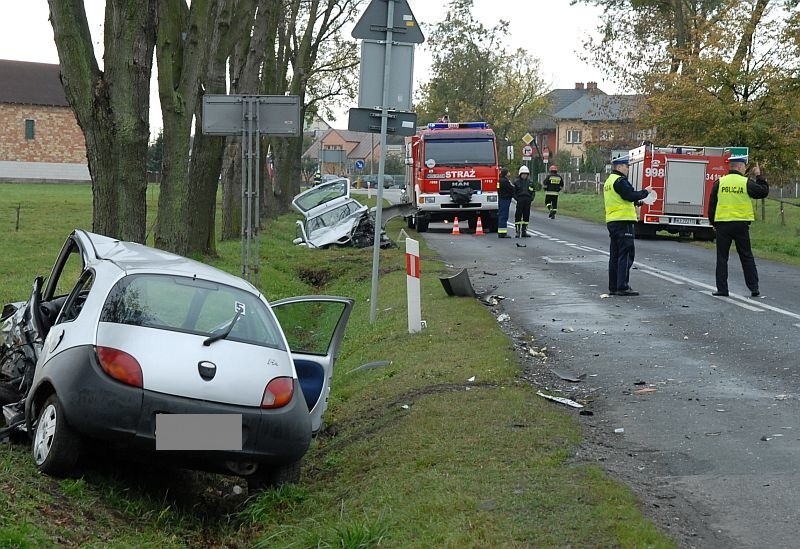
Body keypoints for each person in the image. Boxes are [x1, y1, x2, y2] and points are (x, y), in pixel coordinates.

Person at [708, 154, 769, 297]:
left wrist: (713, 223)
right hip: (741, 225)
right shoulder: (745, 182)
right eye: (744, 167)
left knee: (722, 258)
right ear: (740, 167)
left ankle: (722, 289)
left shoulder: (720, 182)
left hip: (723, 225)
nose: (745, 169)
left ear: (731, 167)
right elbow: (763, 191)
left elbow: (712, 205)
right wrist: (759, 175)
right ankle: (754, 288)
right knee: (746, 256)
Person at [603, 155, 652, 296]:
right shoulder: (620, 180)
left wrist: (636, 202)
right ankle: (622, 286)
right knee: (626, 254)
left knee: (615, 255)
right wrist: (645, 192)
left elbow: (620, 199)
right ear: (619, 167)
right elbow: (629, 195)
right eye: (626, 166)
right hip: (623, 221)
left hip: (612, 220)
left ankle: (613, 286)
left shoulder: (609, 181)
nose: (628, 169)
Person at [513, 165, 535, 237]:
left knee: (526, 216)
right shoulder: (517, 182)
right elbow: (514, 192)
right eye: (523, 174)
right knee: (518, 215)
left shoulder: (530, 183)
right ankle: (517, 231)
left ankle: (524, 231)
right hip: (520, 200)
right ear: (520, 174)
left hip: (527, 200)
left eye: (526, 174)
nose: (524, 175)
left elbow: (533, 191)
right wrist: (517, 199)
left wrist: (531, 198)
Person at [497, 167, 515, 238]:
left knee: (502, 215)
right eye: (508, 172)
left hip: (502, 199)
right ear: (505, 173)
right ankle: (502, 233)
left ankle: (501, 232)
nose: (509, 173)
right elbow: (510, 188)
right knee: (504, 216)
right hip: (505, 199)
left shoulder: (500, 180)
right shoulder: (504, 181)